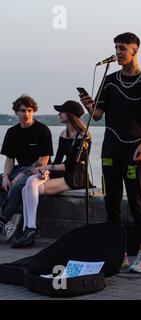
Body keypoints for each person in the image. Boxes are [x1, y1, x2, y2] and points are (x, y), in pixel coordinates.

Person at [79, 32, 141, 272]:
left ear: (135, 50)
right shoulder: (110, 80)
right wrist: (88, 103)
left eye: (122, 48)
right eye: (116, 47)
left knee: (136, 202)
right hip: (110, 150)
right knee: (111, 202)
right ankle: (120, 253)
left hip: (134, 150)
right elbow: (97, 116)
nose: (117, 52)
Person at [12, 100, 91, 248]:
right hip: (61, 173)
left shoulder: (83, 137)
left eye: (61, 111)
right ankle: (29, 229)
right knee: (29, 185)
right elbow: (59, 159)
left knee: (29, 185)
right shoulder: (63, 133)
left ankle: (30, 229)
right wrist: (46, 171)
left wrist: (48, 166)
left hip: (75, 177)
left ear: (70, 115)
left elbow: (71, 165)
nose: (59, 114)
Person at [0, 95, 53, 242]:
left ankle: (3, 220)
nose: (26, 114)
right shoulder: (12, 132)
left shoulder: (42, 130)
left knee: (17, 186)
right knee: (2, 183)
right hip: (18, 168)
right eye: (22, 111)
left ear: (33, 111)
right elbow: (9, 159)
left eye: (29, 110)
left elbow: (43, 160)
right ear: (16, 112)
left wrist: (21, 175)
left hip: (40, 171)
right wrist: (5, 176)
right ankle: (7, 220)